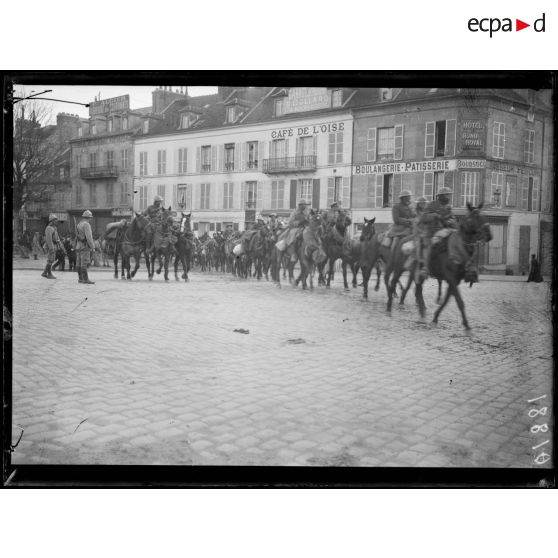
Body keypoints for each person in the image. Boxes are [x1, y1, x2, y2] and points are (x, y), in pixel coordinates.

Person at [418, 187, 458, 278]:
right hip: (431, 232)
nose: (449, 197)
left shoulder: (448, 207)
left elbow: (453, 218)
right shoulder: (432, 205)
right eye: (447, 195)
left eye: (449, 195)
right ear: (440, 196)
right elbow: (423, 218)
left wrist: (450, 221)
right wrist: (435, 215)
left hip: (444, 232)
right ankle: (425, 268)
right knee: (430, 246)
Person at [75, 210, 96, 284]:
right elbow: (89, 237)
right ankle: (86, 279)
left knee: (78, 262)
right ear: (89, 217)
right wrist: (93, 247)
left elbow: (77, 236)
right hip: (85, 246)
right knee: (84, 263)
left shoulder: (79, 224)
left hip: (78, 246)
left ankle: (80, 278)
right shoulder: (86, 224)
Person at [41, 214, 64, 279]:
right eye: (55, 220)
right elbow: (49, 239)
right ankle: (49, 274)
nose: (57, 221)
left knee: (52, 259)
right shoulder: (49, 228)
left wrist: (61, 246)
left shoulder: (54, 228)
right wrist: (51, 248)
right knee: (50, 259)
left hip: (55, 245)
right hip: (51, 246)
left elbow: (57, 238)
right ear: (52, 221)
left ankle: (45, 273)